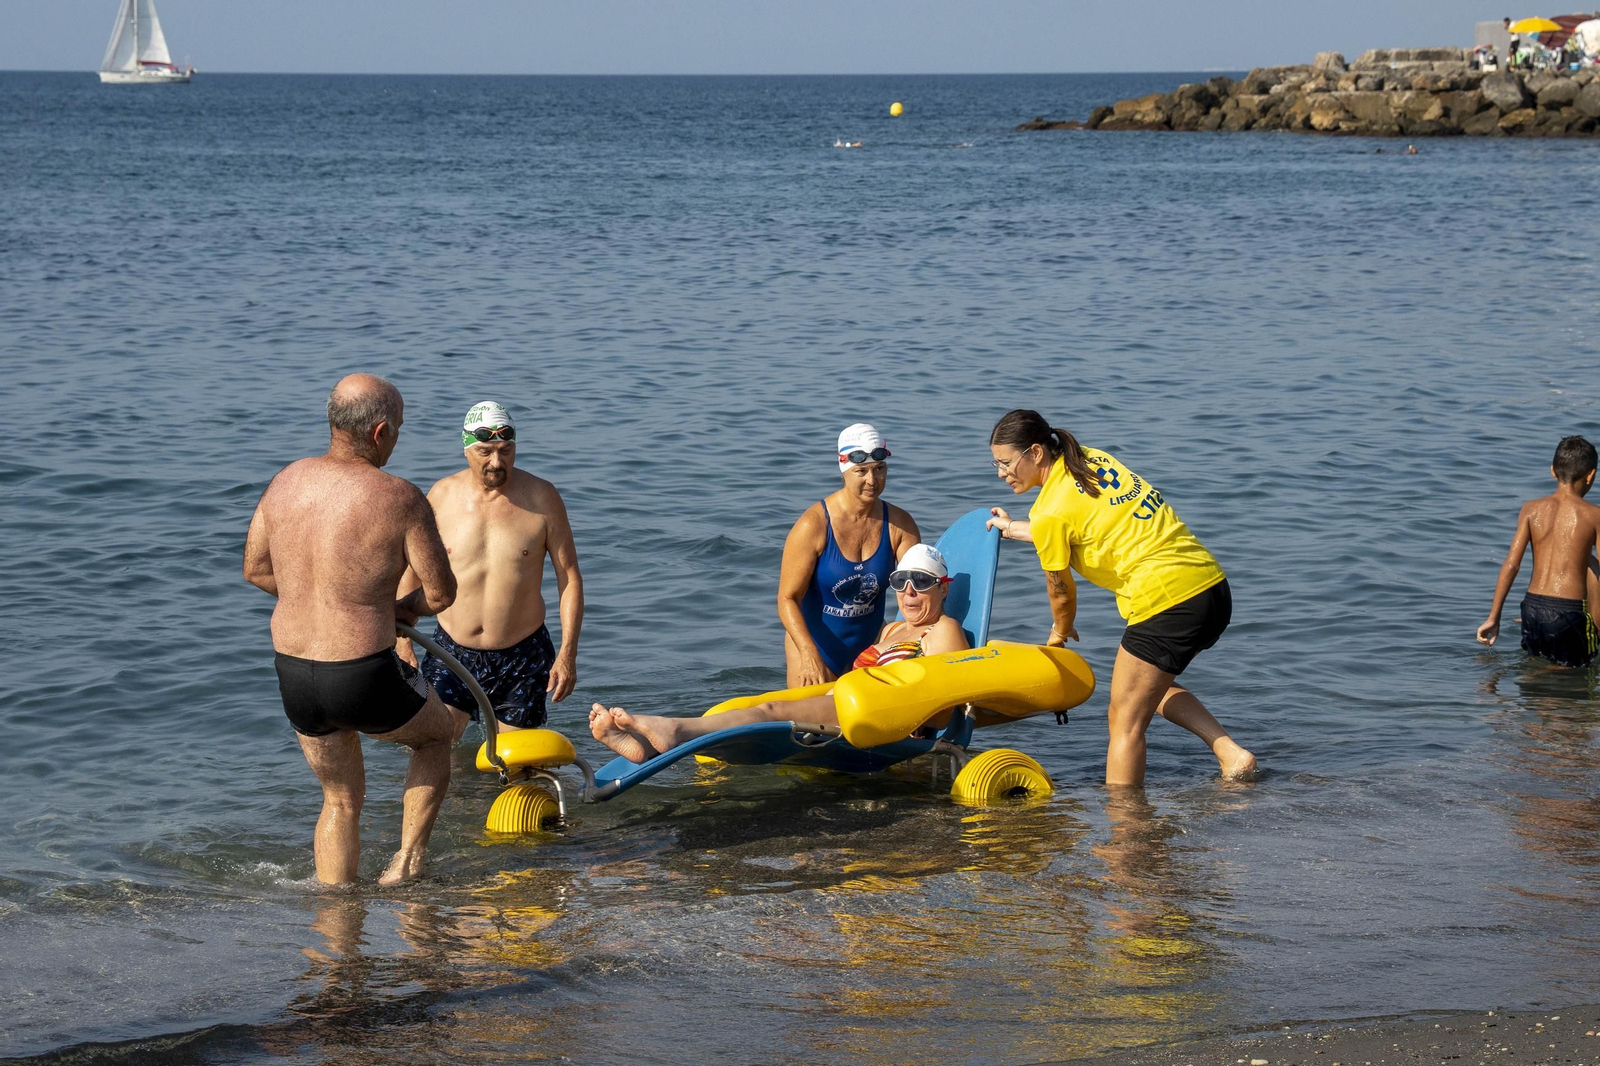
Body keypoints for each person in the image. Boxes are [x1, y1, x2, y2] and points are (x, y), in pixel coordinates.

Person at [243, 374, 468, 886]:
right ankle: (405, 867)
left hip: (295, 673)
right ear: (380, 431)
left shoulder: (285, 481)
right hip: (361, 671)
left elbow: (255, 570)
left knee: (340, 799)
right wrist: (390, 608)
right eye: (399, 431)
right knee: (436, 738)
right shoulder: (400, 497)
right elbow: (440, 594)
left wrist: (319, 598)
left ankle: (337, 932)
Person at [984, 409, 1255, 786]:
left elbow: (1060, 592)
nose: (1000, 473)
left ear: (1035, 453)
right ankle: (1231, 754)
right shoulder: (1093, 460)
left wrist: (1059, 633)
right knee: (1147, 690)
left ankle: (1126, 831)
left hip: (1165, 601)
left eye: (1005, 463)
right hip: (1210, 588)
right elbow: (1082, 523)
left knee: (1123, 722)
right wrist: (1013, 528)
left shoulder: (1048, 511)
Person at [591, 544, 967, 761]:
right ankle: (650, 748)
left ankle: (671, 731)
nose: (909, 592)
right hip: (849, 699)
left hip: (872, 715)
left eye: (922, 582)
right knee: (760, 708)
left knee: (768, 714)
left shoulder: (942, 629)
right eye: (901, 582)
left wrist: (902, 723)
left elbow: (943, 706)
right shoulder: (892, 629)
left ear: (943, 589)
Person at [397, 401, 583, 733]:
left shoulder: (543, 498)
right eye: (485, 451)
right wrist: (403, 641)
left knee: (517, 765)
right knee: (436, 747)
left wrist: (568, 653)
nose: (497, 462)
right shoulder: (441, 496)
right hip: (451, 651)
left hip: (523, 655)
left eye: (506, 450)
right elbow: (411, 571)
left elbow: (568, 577)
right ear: (466, 449)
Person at [777, 423, 922, 687]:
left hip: (871, 645)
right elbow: (787, 598)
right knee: (812, 727)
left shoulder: (900, 525)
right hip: (816, 647)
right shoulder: (813, 525)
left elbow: (918, 588)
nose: (872, 481)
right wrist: (808, 654)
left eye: (879, 470)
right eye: (861, 471)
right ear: (844, 470)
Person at [1477, 435, 1600, 668]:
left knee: (1537, 672)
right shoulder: (1594, 515)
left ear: (1553, 471)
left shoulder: (1530, 509)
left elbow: (1511, 565)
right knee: (1583, 681)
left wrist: (1494, 617)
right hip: (1570, 612)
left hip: (1532, 608)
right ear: (1591, 475)